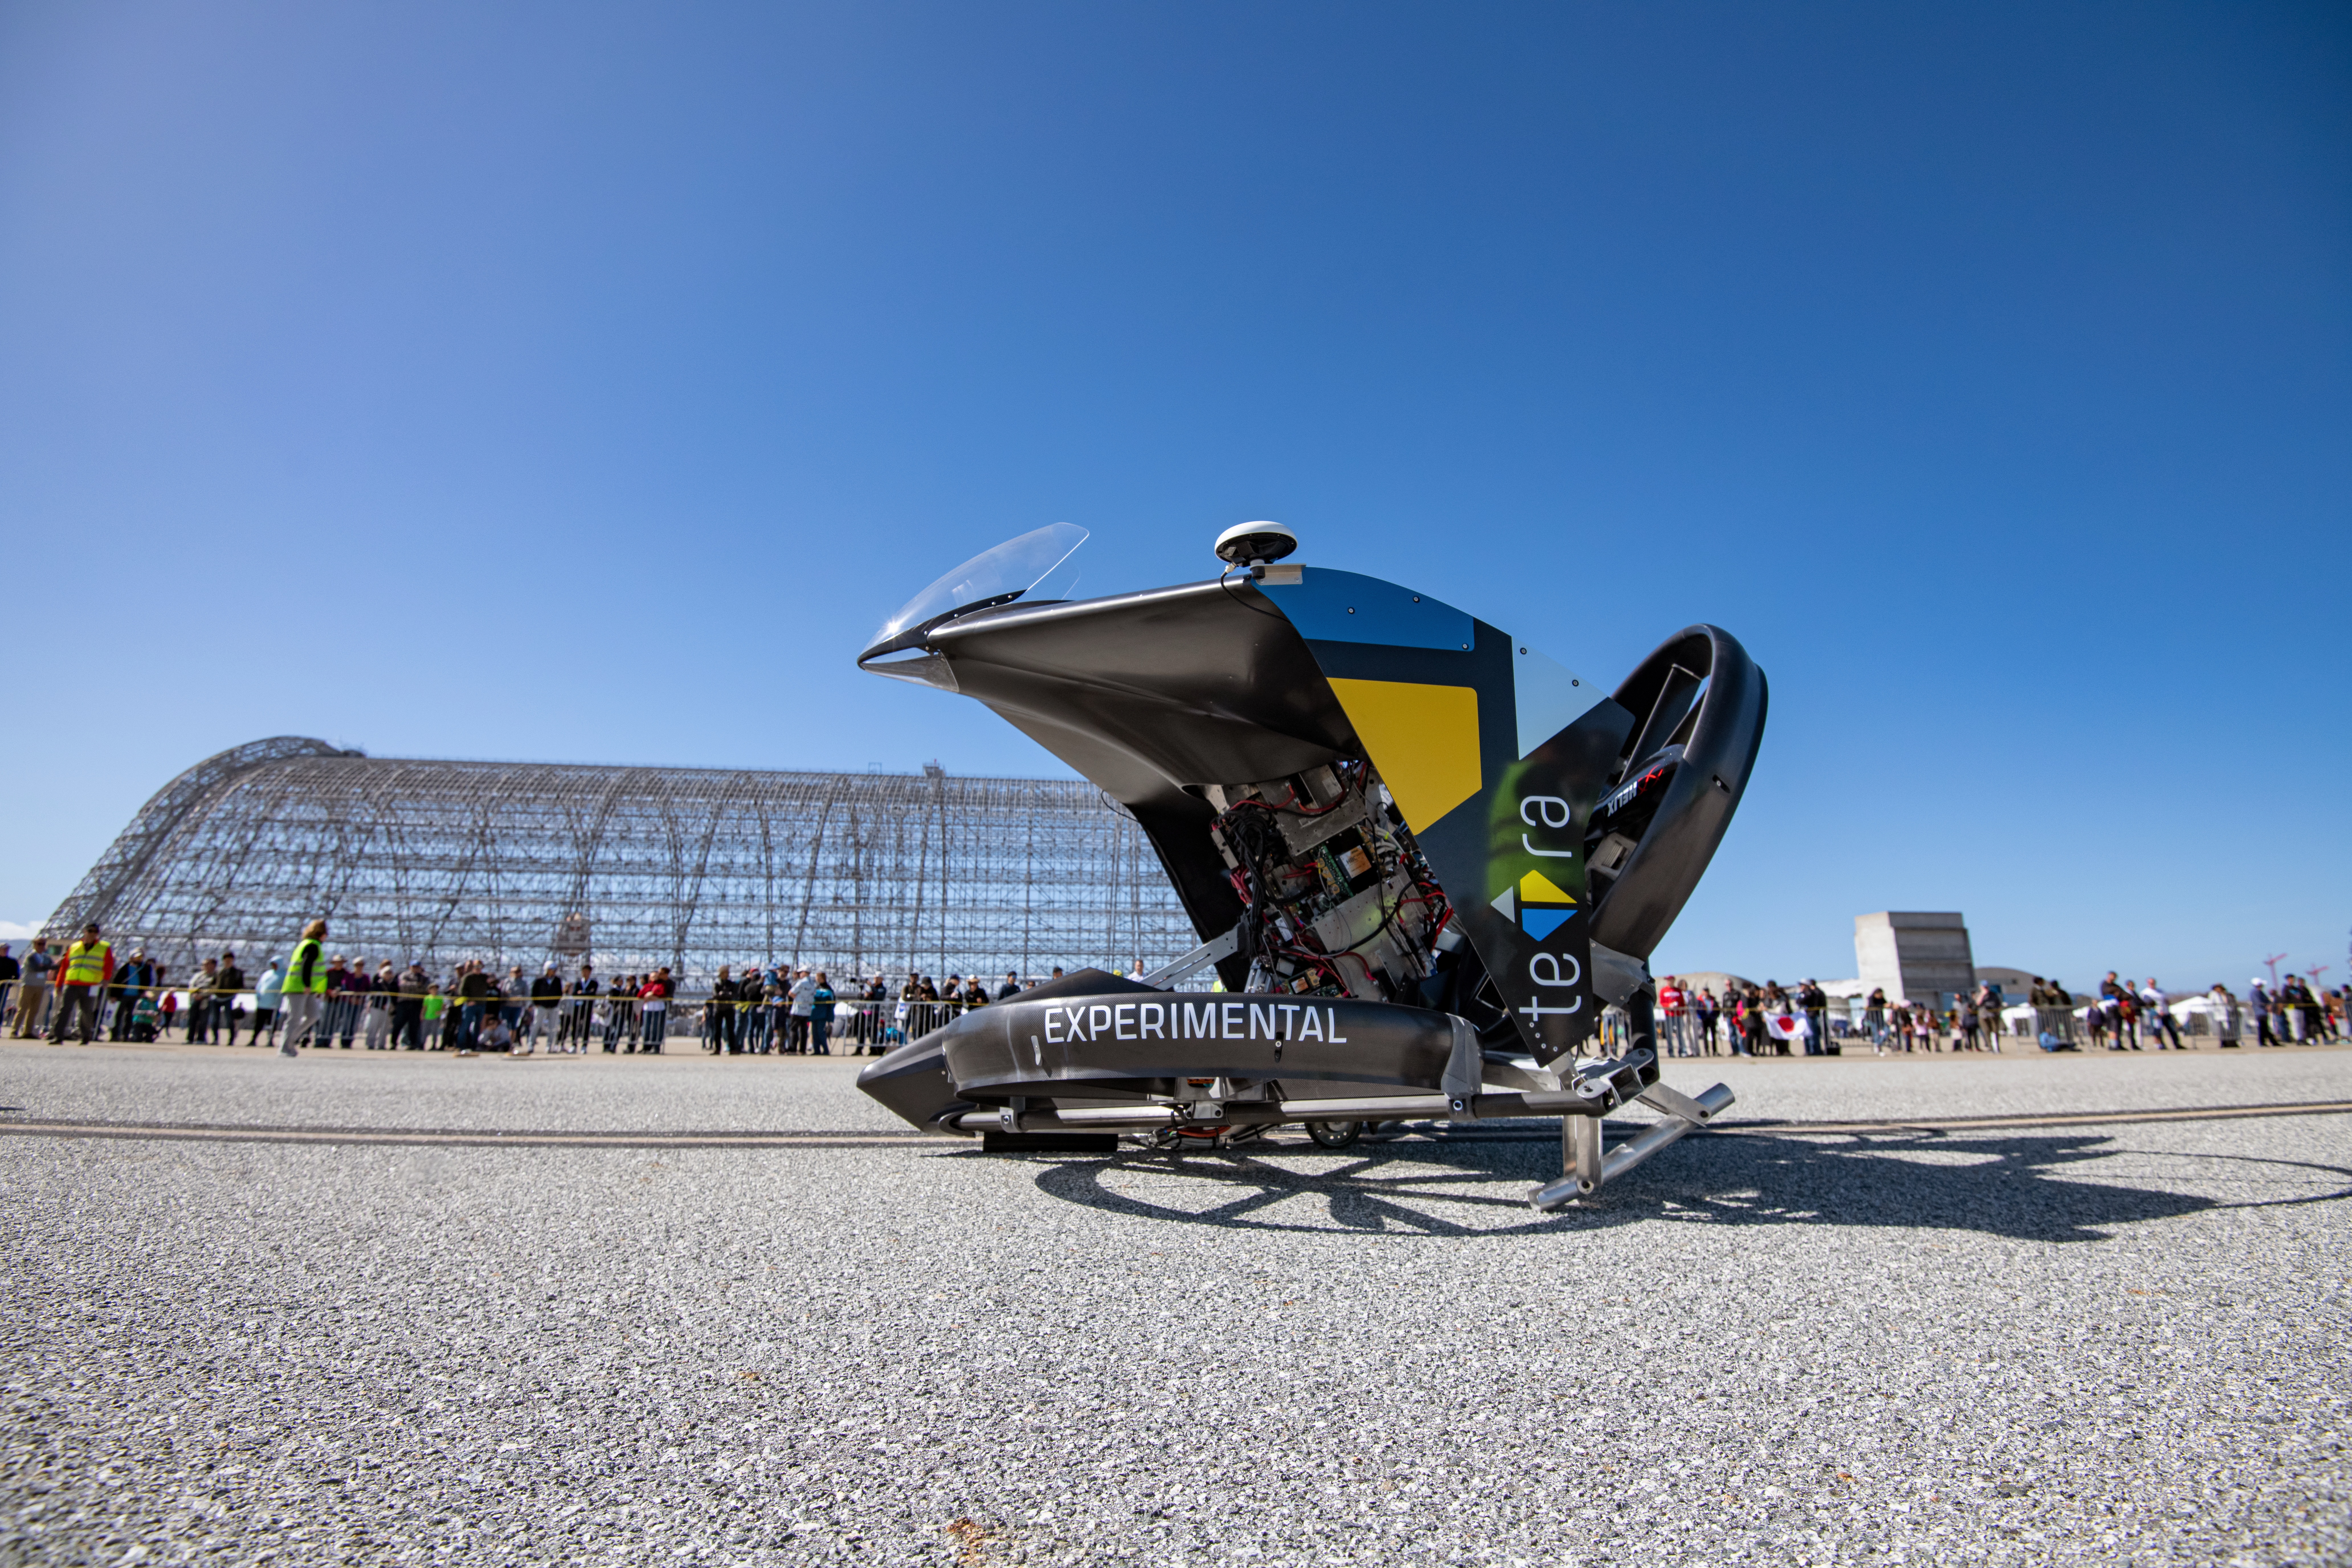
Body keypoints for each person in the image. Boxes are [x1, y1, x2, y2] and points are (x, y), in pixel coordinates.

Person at [47, 923, 114, 1045]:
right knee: (65, 1010)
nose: (93, 934)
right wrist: (59, 984)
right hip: (72, 983)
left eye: (95, 932)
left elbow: (109, 964)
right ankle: (58, 1036)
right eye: (90, 931)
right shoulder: (74, 947)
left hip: (91, 984)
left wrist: (106, 979)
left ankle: (85, 1036)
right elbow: (65, 966)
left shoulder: (104, 947)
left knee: (87, 1011)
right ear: (85, 931)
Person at [277, 920, 331, 1056]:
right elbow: (306, 966)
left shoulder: (310, 945)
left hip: (307, 989)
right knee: (295, 1018)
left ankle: (291, 1040)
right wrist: (307, 984)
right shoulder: (312, 946)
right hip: (299, 987)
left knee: (314, 1016)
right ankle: (285, 1047)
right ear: (321, 934)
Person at [13, 936, 55, 1038]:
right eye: (39, 944)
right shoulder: (31, 957)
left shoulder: (46, 958)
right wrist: (45, 967)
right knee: (23, 1009)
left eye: (43, 944)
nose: (41, 946)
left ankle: (28, 1032)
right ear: (35, 945)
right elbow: (34, 968)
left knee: (34, 1010)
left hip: (40, 986)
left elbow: (54, 967)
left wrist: (43, 966)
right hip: (29, 985)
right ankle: (15, 1031)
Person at [526, 962, 562, 1054]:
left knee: (553, 1027)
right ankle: (531, 1043)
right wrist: (536, 1004)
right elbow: (534, 992)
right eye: (551, 969)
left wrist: (556, 1003)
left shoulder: (558, 980)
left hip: (553, 1007)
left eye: (554, 970)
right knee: (537, 1025)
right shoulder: (539, 980)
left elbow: (559, 993)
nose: (553, 972)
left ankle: (550, 1046)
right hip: (541, 1006)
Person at [215, 952, 247, 1047]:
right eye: (226, 960)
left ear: (233, 961)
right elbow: (213, 983)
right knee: (215, 1020)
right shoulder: (220, 972)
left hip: (230, 998)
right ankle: (215, 1039)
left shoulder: (238, 972)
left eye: (230, 960)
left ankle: (231, 1040)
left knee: (230, 1020)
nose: (228, 962)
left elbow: (241, 985)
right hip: (218, 997)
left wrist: (233, 993)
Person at [252, 959, 283, 1048]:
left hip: (274, 1005)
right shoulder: (267, 974)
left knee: (272, 1023)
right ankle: (254, 1039)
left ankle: (270, 1040)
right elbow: (259, 986)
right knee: (258, 1023)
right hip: (263, 1003)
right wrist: (258, 995)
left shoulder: (283, 975)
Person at [808, 971, 836, 1055]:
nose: (816, 979)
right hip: (815, 1014)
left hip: (823, 1014)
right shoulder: (816, 987)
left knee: (821, 1032)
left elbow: (831, 1002)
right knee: (815, 1033)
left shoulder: (828, 989)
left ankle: (826, 1050)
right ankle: (817, 1050)